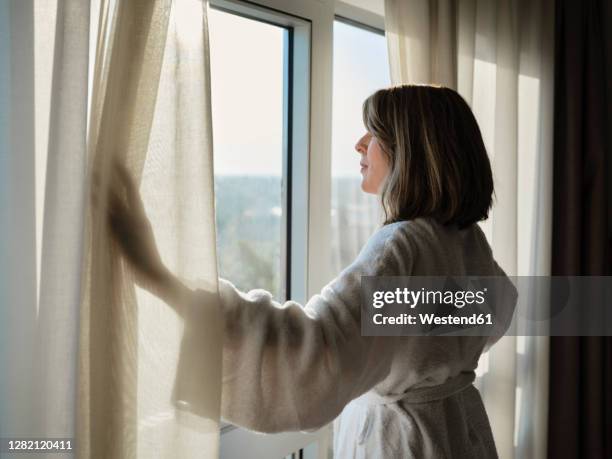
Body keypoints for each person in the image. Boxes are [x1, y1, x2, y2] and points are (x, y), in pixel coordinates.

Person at [104, 84, 517, 458]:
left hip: (405, 445)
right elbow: (499, 312)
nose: (360, 145)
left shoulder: (402, 244)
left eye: (374, 134)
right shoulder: (466, 239)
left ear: (410, 151)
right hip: (459, 434)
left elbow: (317, 351)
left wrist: (160, 276)